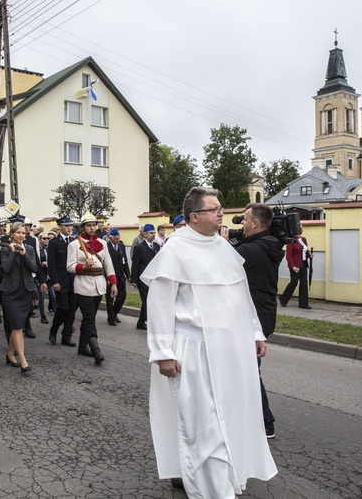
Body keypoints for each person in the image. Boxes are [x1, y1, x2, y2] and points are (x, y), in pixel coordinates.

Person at [142, 187, 277, 496]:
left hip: (230, 349)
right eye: (214, 208)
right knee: (204, 424)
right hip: (193, 348)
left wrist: (256, 332)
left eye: (219, 208)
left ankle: (221, 478)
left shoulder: (223, 247)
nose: (221, 213)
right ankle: (212, 491)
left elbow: (240, 297)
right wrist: (162, 351)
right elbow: (160, 304)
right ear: (194, 216)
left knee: (227, 416)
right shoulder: (175, 250)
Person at [228, 203, 285, 439]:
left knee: (249, 373)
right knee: (244, 370)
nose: (241, 223)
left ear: (255, 223)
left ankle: (265, 423)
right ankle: (245, 416)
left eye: (245, 220)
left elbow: (221, 265)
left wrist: (222, 243)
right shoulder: (267, 244)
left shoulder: (250, 251)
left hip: (254, 318)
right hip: (263, 313)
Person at [66, 211, 118, 364]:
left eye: (94, 225)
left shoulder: (102, 244)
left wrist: (113, 283)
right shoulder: (74, 245)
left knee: (89, 318)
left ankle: (82, 346)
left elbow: (108, 264)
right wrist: (83, 266)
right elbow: (69, 266)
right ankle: (96, 350)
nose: (92, 228)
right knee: (89, 318)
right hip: (83, 285)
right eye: (89, 225)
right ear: (83, 227)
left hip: (99, 285)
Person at [0, 222, 38, 373]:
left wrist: (23, 254)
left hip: (25, 291)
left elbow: (33, 268)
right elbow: (5, 269)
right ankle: (23, 360)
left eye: (23, 233)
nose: (21, 235)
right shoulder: (5, 249)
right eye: (18, 233)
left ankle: (10, 354)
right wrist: (14, 252)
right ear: (12, 234)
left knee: (18, 326)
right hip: (9, 293)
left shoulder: (30, 249)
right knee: (17, 327)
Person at [47, 216, 78, 347]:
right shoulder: (54, 243)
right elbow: (51, 264)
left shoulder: (73, 242)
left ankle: (67, 337)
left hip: (73, 281)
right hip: (61, 281)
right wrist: (54, 281)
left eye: (71, 226)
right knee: (63, 308)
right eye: (66, 226)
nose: (70, 228)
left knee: (71, 311)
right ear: (60, 226)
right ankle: (53, 330)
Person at [130, 224, 160, 330]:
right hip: (143, 278)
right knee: (147, 301)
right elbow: (135, 264)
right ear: (145, 234)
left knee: (150, 300)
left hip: (154, 278)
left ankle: (141, 321)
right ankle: (150, 322)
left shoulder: (157, 246)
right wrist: (134, 280)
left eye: (154, 233)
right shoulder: (139, 247)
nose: (153, 235)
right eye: (151, 233)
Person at [279, 227, 312, 309]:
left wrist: (309, 255)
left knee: (304, 284)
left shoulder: (303, 239)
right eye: (297, 231)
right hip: (295, 265)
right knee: (294, 283)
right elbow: (288, 256)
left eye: (300, 231)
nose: (299, 232)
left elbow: (305, 251)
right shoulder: (291, 241)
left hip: (303, 264)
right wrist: (293, 266)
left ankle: (303, 304)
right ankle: (283, 298)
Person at [105, 228, 130, 326]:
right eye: (115, 239)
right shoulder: (106, 247)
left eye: (119, 238)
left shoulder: (121, 246)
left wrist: (127, 274)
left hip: (120, 276)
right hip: (110, 277)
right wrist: (106, 277)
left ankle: (114, 313)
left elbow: (125, 261)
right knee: (110, 298)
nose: (117, 240)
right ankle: (111, 317)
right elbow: (103, 263)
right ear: (110, 238)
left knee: (122, 296)